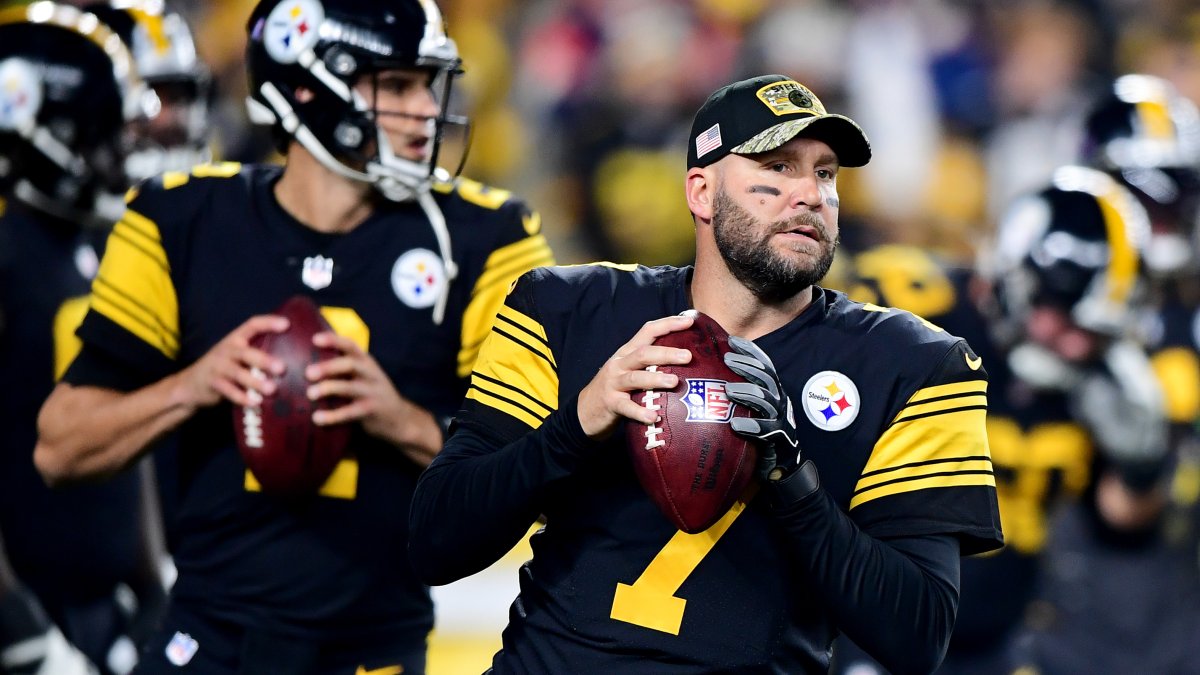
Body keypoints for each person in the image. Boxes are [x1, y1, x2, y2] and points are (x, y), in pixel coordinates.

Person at [409, 73, 1003, 674]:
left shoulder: (915, 363)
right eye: (776, 168)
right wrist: (578, 424)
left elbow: (920, 637)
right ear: (701, 192)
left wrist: (793, 481)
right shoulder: (567, 309)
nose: (809, 195)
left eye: (824, 173)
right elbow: (436, 542)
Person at [33, 0, 555, 673]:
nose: (426, 108)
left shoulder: (487, 238)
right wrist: (192, 385)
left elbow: (539, 478)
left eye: (428, 83)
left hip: (377, 650)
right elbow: (58, 446)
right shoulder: (181, 218)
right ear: (307, 91)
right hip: (205, 641)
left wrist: (397, 417)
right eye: (396, 85)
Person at [0, 5, 167, 674]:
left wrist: (155, 583)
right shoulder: (9, 255)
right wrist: (20, 631)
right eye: (106, 133)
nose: (122, 154)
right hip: (30, 609)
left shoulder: (103, 246)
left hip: (105, 608)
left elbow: (130, 436)